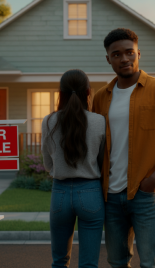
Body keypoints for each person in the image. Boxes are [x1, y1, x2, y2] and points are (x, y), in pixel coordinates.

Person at [92, 28, 155, 268]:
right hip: (111, 195)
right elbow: (96, 144)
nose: (124, 59)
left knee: (151, 263)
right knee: (116, 261)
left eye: (129, 53)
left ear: (138, 54)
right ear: (108, 59)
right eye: (116, 54)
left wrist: (154, 178)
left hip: (147, 192)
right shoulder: (100, 98)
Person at [42, 69, 106, 268]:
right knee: (88, 264)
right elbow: (103, 160)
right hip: (91, 193)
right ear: (88, 92)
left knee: (59, 261)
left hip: (59, 193)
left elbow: (47, 163)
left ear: (60, 93)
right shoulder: (99, 121)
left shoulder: (49, 121)